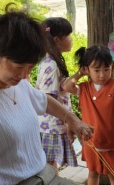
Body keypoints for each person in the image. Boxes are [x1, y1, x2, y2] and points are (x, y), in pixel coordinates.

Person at [0, 6, 93, 184]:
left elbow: (43, 100)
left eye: (30, 67)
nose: (24, 75)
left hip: (45, 176)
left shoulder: (18, 83)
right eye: (17, 67)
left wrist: (71, 119)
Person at [62, 45, 114, 185]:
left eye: (106, 69)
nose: (102, 74)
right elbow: (66, 86)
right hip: (91, 141)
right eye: (96, 70)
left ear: (112, 67)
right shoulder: (84, 88)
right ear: (87, 69)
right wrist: (79, 74)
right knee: (93, 174)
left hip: (111, 142)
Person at [36, 17, 78, 170]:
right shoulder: (52, 65)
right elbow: (48, 99)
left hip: (51, 125)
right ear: (57, 39)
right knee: (52, 167)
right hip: (52, 126)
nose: (71, 39)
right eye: (68, 35)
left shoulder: (49, 60)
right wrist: (68, 122)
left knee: (52, 166)